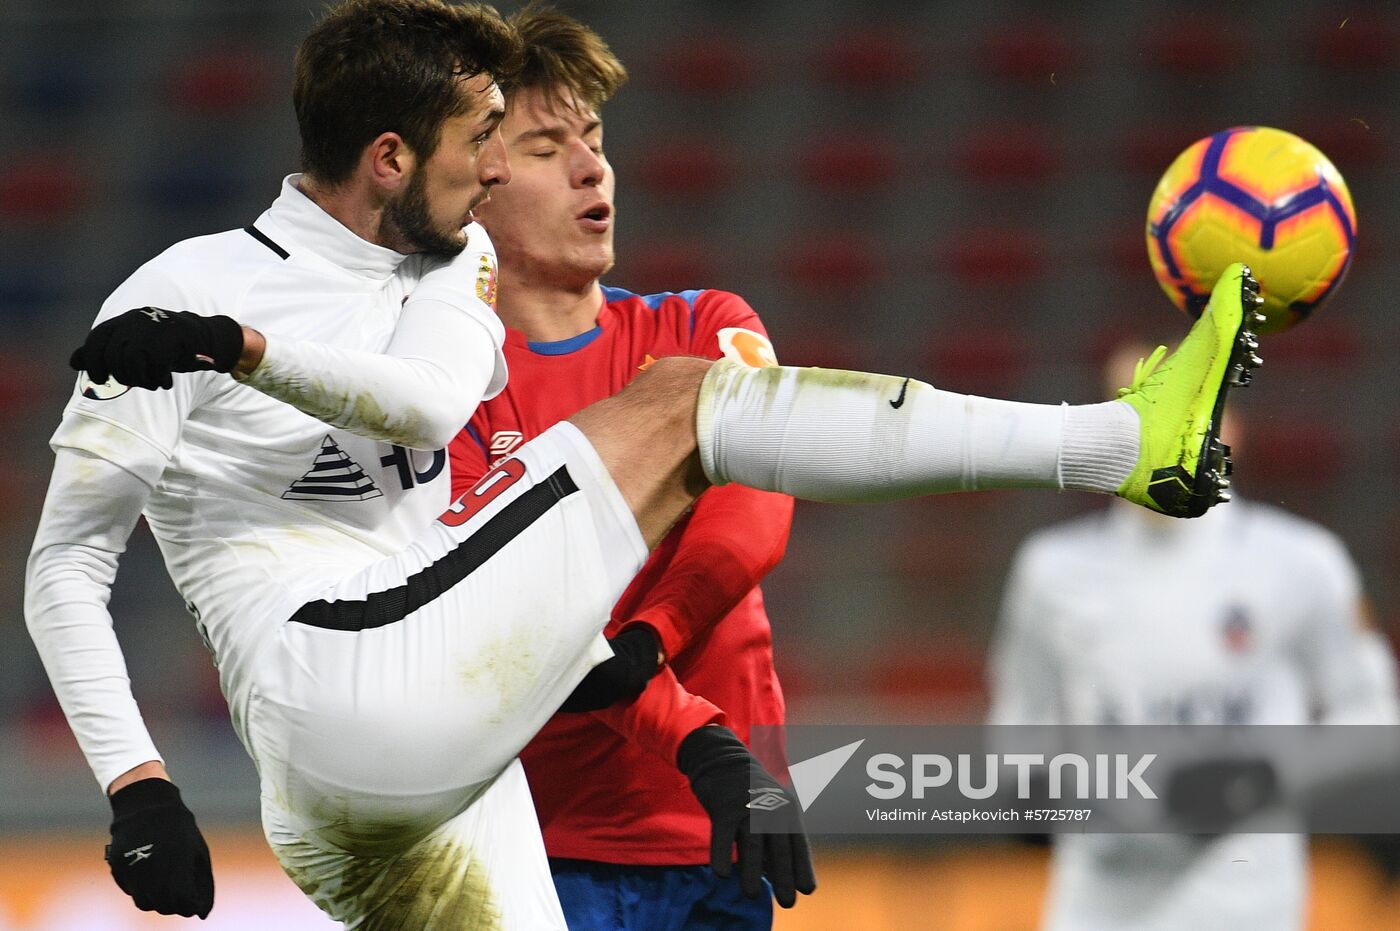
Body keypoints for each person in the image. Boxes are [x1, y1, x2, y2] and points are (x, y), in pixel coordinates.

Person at [27, 0, 1262, 924]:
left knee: (679, 393)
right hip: (333, 695)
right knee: (683, 404)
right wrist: (136, 783)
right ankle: (1118, 444)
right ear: (396, 157)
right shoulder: (179, 287)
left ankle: (1123, 446)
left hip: (426, 771)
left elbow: (421, 417)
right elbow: (68, 563)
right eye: (487, 144)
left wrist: (238, 352)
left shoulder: (446, 286)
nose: (505, 168)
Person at [448, 6, 797, 927]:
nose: (591, 165)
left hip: (721, 828)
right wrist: (685, 722)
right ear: (480, 181)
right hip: (536, 849)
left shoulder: (701, 325)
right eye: (545, 145)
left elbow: (755, 504)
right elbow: (526, 613)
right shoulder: (449, 394)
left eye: (594, 137)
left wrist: (646, 639)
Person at [987, 342, 1399, 931]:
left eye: (1186, 405)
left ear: (1229, 423)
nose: (1157, 429)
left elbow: (1374, 720)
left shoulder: (1300, 562)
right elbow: (1018, 739)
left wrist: (1256, 779)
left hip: (1248, 905)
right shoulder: (1051, 571)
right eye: (1132, 410)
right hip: (1098, 904)